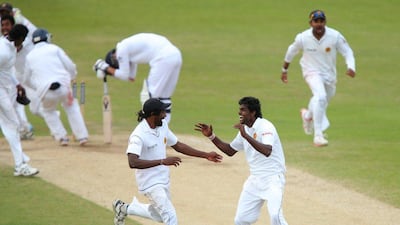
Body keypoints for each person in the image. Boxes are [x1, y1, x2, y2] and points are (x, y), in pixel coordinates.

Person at [112, 98, 222, 225]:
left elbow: (178, 145)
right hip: (150, 183)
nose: (165, 116)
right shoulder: (138, 135)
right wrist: (162, 161)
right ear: (153, 114)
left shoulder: (162, 126)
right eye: (162, 113)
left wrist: (206, 155)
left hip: (163, 179)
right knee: (170, 215)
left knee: (158, 215)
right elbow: (132, 162)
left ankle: (123, 208)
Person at [195, 96, 289, 225]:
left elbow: (267, 151)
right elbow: (230, 150)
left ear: (253, 112)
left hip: (273, 178)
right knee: (241, 220)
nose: (239, 113)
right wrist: (211, 136)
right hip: (255, 180)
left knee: (275, 217)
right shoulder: (244, 130)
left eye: (243, 110)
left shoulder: (265, 127)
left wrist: (246, 135)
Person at [280, 9, 356, 147]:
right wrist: (284, 69)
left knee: (321, 100)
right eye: (316, 21)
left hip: (330, 76)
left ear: (325, 22)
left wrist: (351, 66)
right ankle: (318, 136)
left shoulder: (335, 36)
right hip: (311, 71)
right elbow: (291, 51)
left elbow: (347, 51)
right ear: (311, 23)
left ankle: (307, 116)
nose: (319, 24)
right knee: (320, 97)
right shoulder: (303, 37)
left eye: (321, 21)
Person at [93, 33, 183, 123]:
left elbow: (124, 75)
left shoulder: (121, 49)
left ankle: (149, 130)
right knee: (164, 97)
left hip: (162, 58)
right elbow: (131, 77)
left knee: (147, 96)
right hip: (176, 55)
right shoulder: (129, 49)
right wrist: (109, 71)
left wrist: (103, 66)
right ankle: (164, 129)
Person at [24, 28, 89, 146]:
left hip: (45, 91)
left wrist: (38, 87)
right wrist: (73, 76)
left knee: (48, 111)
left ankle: (62, 137)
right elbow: (69, 65)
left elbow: (26, 80)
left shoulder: (29, 56)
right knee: (72, 107)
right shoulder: (54, 49)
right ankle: (82, 137)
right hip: (63, 86)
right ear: (47, 37)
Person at [0, 24, 39, 176]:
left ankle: (20, 160)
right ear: (20, 38)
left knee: (9, 125)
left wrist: (17, 84)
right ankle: (20, 166)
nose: (22, 44)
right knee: (13, 124)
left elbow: (6, 71)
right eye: (22, 41)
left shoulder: (7, 47)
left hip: (5, 89)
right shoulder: (3, 51)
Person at [1, 14, 34, 139]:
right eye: (2, 25)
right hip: (7, 80)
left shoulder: (21, 41)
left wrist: (17, 84)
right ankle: (22, 129)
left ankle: (22, 129)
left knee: (14, 106)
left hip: (24, 76)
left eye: (7, 25)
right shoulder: (3, 46)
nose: (4, 27)